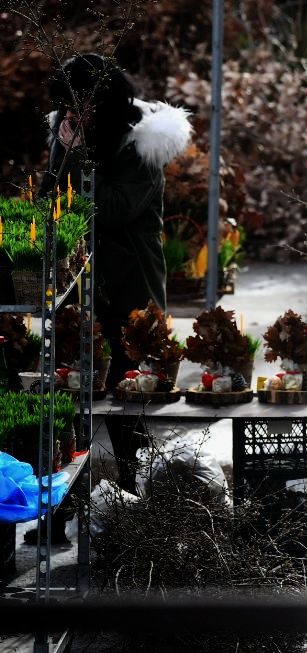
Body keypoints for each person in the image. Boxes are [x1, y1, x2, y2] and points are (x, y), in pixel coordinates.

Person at [47, 54, 191, 492]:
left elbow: (110, 209)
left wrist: (73, 154)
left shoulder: (142, 147)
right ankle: (62, 505)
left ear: (103, 105)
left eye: (81, 108)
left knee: (129, 410)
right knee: (70, 403)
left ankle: (132, 504)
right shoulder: (72, 133)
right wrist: (66, 148)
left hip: (130, 290)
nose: (72, 117)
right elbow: (53, 194)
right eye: (67, 109)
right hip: (80, 285)